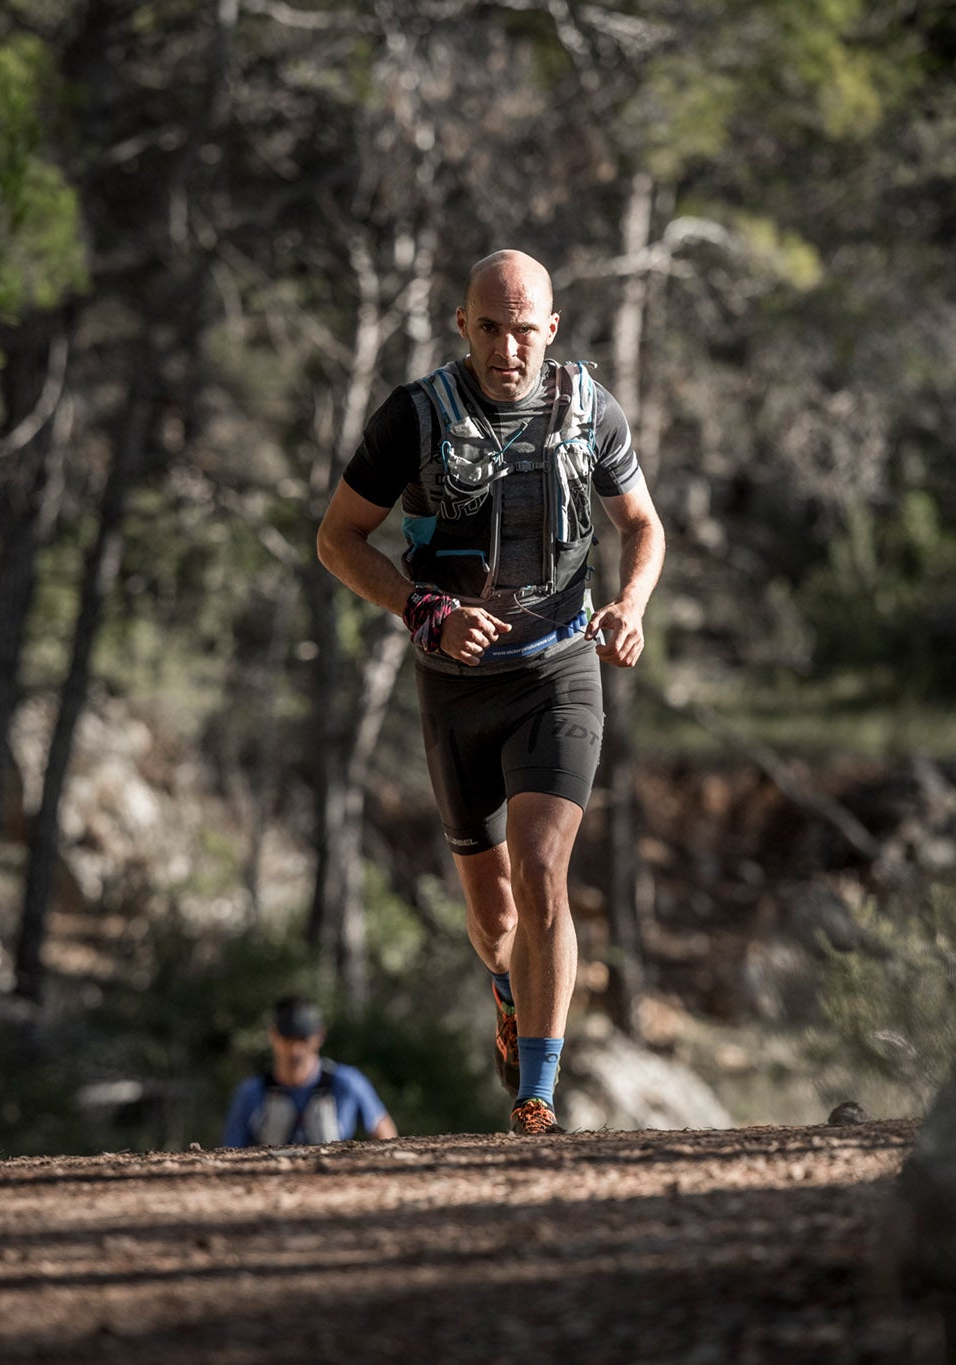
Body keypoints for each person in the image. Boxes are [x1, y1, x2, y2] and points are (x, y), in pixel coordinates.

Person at [316, 248, 665, 1137]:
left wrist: (629, 603)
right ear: (463, 327)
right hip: (455, 690)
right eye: (492, 328)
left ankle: (537, 1095)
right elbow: (338, 539)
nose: (510, 347)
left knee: (543, 869)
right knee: (494, 916)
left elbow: (642, 525)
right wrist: (420, 604)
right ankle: (507, 986)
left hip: (558, 670)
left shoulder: (590, 409)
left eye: (526, 329)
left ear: (553, 329)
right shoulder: (416, 416)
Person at [221, 997, 399, 1147]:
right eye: (288, 1039)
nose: (295, 1050)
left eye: (302, 1039)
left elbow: (386, 1135)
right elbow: (230, 1151)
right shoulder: (251, 1093)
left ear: (320, 1036)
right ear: (273, 1035)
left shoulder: (347, 1083)